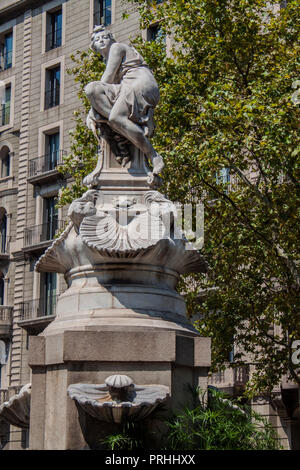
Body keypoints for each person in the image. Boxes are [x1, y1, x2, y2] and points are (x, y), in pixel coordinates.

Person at [85, 25, 164, 181]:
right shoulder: (108, 58)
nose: (101, 41)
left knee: (114, 117)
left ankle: (153, 155)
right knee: (91, 89)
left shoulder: (117, 47)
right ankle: (123, 129)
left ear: (111, 38)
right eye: (96, 39)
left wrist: (91, 112)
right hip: (126, 87)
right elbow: (100, 89)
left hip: (139, 82)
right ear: (93, 47)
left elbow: (106, 80)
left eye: (104, 37)